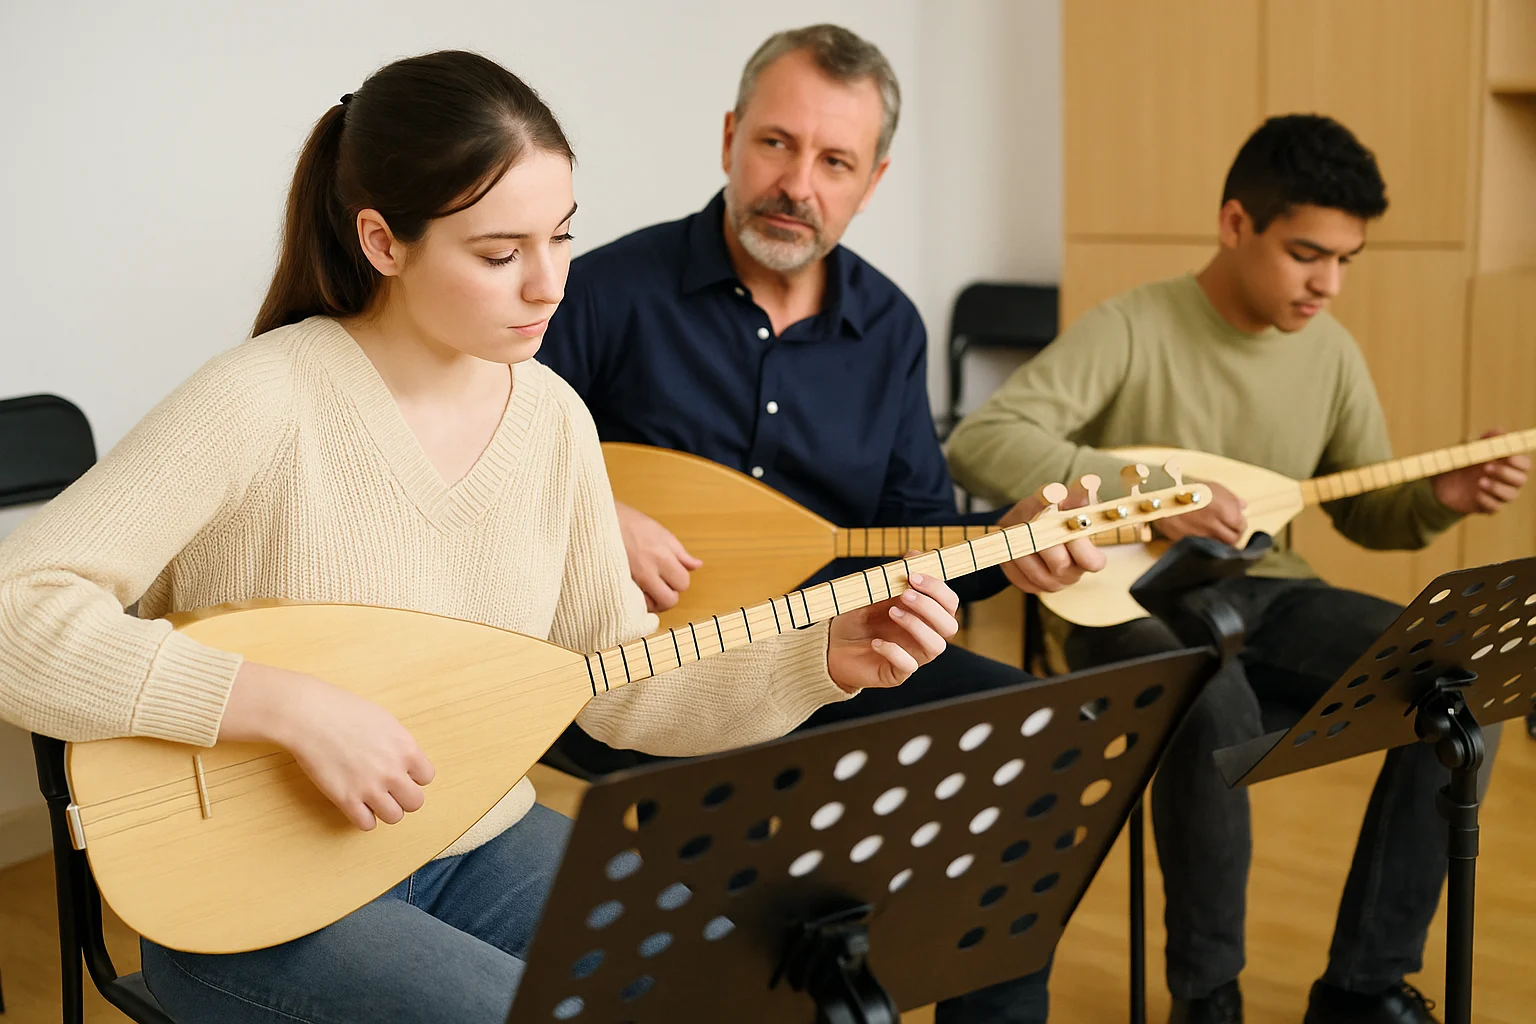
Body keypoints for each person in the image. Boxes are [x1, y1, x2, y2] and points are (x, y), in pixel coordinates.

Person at [0, 50, 963, 1024]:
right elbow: (14, 608)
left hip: (474, 842)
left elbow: (621, 682)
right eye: (501, 254)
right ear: (384, 241)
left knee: (747, 988)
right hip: (250, 900)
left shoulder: (550, 419)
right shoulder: (263, 400)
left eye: (561, 239)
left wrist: (820, 657)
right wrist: (285, 706)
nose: (548, 285)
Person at [539, 25, 1102, 1024]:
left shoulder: (887, 327)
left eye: (834, 160)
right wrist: (595, 512)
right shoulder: (608, 290)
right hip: (644, 674)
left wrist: (1009, 544)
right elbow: (488, 460)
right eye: (776, 144)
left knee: (1035, 739)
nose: (796, 182)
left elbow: (917, 540)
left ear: (872, 181)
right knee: (785, 850)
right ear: (729, 137)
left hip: (830, 656)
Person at [946, 114, 1530, 1024]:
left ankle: (1362, 989)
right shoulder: (1135, 325)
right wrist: (1146, 491)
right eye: (1306, 254)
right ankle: (1206, 998)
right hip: (1123, 603)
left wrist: (1440, 495)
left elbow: (1366, 512)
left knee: (1463, 678)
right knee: (1211, 704)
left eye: (1346, 260)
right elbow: (984, 441)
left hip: (1270, 592)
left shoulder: (1329, 352)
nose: (1327, 285)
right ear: (1233, 224)